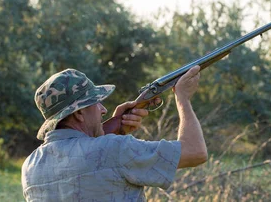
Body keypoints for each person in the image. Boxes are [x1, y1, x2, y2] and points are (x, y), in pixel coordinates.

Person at [21, 66, 207, 201]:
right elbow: (195, 152)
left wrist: (114, 128)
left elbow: (83, 163)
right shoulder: (114, 148)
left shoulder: (30, 167)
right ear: (78, 113)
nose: (103, 109)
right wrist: (183, 98)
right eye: (96, 102)